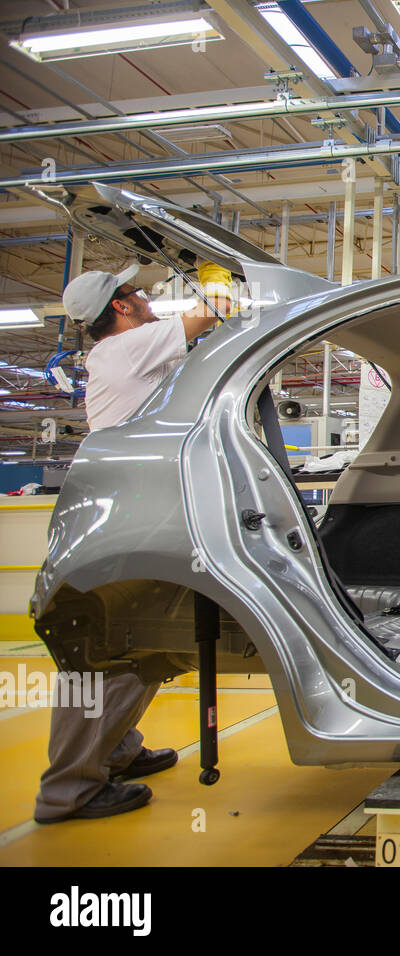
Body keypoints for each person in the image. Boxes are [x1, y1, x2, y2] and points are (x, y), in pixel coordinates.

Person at [34, 263, 228, 823]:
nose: (144, 297)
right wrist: (224, 278)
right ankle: (68, 790)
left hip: (138, 513)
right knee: (109, 654)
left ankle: (116, 751)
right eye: (136, 292)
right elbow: (211, 312)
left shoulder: (132, 357)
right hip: (127, 520)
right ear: (120, 308)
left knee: (148, 647)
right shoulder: (126, 349)